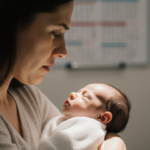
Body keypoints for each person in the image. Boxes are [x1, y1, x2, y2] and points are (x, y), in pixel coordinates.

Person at [0, 0, 127, 150]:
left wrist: (115, 140)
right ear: (11, 23)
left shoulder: (28, 97)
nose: (63, 52)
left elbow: (85, 128)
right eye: (55, 33)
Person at [38, 83, 131, 150]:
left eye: (85, 95)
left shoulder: (90, 129)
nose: (72, 94)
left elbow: (64, 145)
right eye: (79, 91)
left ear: (102, 117)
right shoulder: (66, 121)